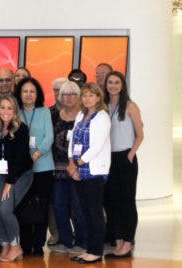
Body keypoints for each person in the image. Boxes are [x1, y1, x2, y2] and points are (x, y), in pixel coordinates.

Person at [67, 83, 111, 264]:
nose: (87, 99)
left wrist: (77, 164)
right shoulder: (80, 114)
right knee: (84, 211)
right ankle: (89, 249)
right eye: (84, 95)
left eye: (91, 96)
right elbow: (72, 140)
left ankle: (96, 251)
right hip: (77, 170)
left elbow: (97, 146)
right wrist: (71, 164)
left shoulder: (102, 117)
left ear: (98, 97)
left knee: (94, 212)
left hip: (93, 171)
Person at [102, 71, 143, 259]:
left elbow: (140, 134)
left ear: (122, 84)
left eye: (116, 82)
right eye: (110, 82)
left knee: (127, 201)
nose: (113, 85)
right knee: (111, 202)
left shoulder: (131, 106)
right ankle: (117, 242)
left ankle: (127, 242)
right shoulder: (104, 106)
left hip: (125, 158)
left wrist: (131, 154)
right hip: (108, 159)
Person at [0, 96, 34, 262]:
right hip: (2, 174)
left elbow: (20, 158)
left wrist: (9, 182)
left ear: (15, 111)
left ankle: (16, 246)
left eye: (9, 108)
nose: (5, 111)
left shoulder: (21, 129)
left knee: (5, 210)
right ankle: (5, 243)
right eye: (2, 108)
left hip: (20, 174)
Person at [14, 77, 55, 256]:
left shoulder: (44, 111)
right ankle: (25, 243)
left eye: (32, 91)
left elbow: (49, 138)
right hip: (22, 169)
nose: (28, 94)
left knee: (41, 207)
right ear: (20, 94)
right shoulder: (15, 113)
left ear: (37, 94)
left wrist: (36, 155)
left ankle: (38, 245)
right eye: (25, 91)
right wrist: (25, 159)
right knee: (22, 207)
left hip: (43, 167)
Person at [49, 82, 87, 254]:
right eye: (65, 94)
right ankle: (66, 241)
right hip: (57, 171)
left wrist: (79, 165)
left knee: (79, 207)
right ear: (60, 97)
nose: (69, 98)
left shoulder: (85, 116)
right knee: (59, 206)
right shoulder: (54, 116)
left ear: (78, 96)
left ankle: (82, 241)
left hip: (78, 170)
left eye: (73, 94)